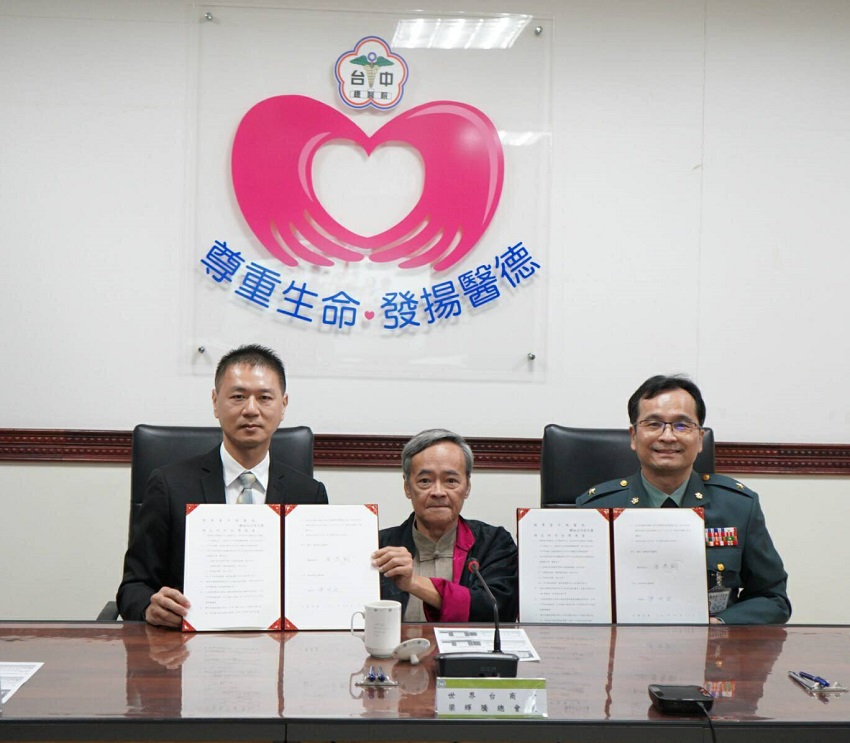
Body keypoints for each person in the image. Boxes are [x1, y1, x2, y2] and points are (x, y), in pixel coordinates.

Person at [117, 344, 328, 626]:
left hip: (278, 645)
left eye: (264, 398)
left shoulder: (309, 494)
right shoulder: (169, 486)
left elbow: (318, 587)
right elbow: (133, 587)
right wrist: (149, 607)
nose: (251, 410)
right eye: (238, 397)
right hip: (187, 642)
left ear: (283, 405)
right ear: (215, 402)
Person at [576, 374, 790, 624]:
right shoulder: (595, 509)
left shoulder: (739, 506)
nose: (668, 436)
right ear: (633, 436)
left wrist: (720, 624)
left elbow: (773, 598)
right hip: (622, 644)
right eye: (653, 424)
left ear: (700, 439)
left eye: (682, 425)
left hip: (711, 645)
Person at [371, 429, 518, 623]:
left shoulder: (494, 543)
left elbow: (499, 609)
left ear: (467, 487)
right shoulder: (378, 546)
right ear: (407, 487)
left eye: (451, 481)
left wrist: (414, 582)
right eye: (425, 481)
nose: (438, 492)